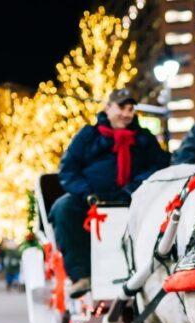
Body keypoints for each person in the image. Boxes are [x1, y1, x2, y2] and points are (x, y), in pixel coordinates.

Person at [49, 87, 170, 298]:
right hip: (92, 201)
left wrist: (136, 188)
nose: (127, 113)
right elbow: (68, 170)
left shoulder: (144, 138)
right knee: (63, 208)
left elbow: (159, 166)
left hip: (133, 198)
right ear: (108, 108)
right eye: (122, 107)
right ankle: (82, 275)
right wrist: (87, 194)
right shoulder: (88, 135)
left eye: (131, 109)